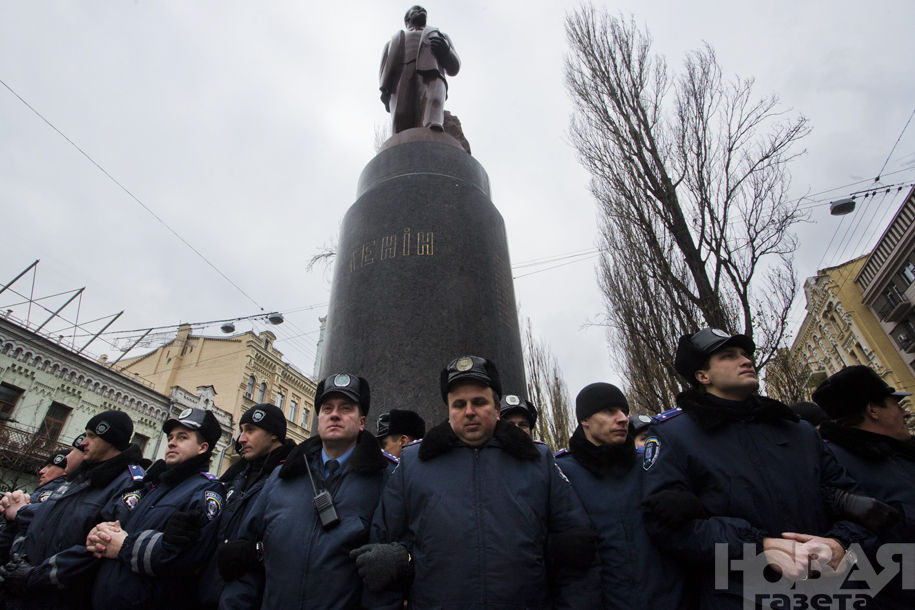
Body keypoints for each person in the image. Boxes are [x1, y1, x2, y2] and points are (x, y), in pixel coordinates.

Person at [641, 328, 870, 609]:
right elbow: (667, 525)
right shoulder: (674, 436)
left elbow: (852, 502)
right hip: (742, 595)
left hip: (832, 591)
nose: (746, 360)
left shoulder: (799, 431)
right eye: (729, 356)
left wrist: (840, 543)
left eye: (746, 354)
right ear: (703, 376)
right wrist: (760, 548)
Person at [356, 355, 599, 608]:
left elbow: (576, 554)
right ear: (448, 411)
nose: (469, 412)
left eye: (479, 402)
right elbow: (381, 561)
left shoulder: (538, 461)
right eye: (459, 404)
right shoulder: (413, 464)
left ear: (496, 409)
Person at [221, 373, 395, 609]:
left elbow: (385, 578)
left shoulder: (385, 480)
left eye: (346, 408)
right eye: (327, 408)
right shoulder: (281, 478)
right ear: (319, 418)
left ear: (362, 422)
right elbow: (243, 558)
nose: (334, 414)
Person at [555, 383, 690, 609]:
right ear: (584, 420)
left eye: (624, 412)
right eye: (609, 412)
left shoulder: (650, 465)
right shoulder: (562, 474)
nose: (622, 419)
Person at [0, 410, 144, 608]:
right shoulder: (78, 478)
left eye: (91, 436)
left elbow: (98, 548)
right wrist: (18, 561)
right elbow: (39, 524)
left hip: (60, 598)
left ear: (111, 440)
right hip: (24, 593)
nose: (83, 442)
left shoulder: (127, 485)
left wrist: (37, 576)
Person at [813, 365, 915, 609]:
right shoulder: (835, 469)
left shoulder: (899, 452)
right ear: (873, 410)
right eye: (895, 404)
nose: (904, 413)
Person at [199, 403, 295, 607]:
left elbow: (296, 543)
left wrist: (257, 552)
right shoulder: (234, 477)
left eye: (250, 430)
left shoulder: (291, 479)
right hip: (211, 593)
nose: (241, 439)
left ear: (274, 434)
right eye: (241, 431)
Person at [379, 5, 460, 133]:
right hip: (401, 76)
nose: (422, 11)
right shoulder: (394, 40)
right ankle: (401, 144)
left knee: (433, 105)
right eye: (417, 9)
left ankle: (433, 136)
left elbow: (454, 67)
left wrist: (446, 51)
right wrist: (384, 89)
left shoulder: (440, 35)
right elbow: (385, 65)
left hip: (433, 73)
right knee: (401, 116)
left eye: (424, 10)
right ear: (407, 19)